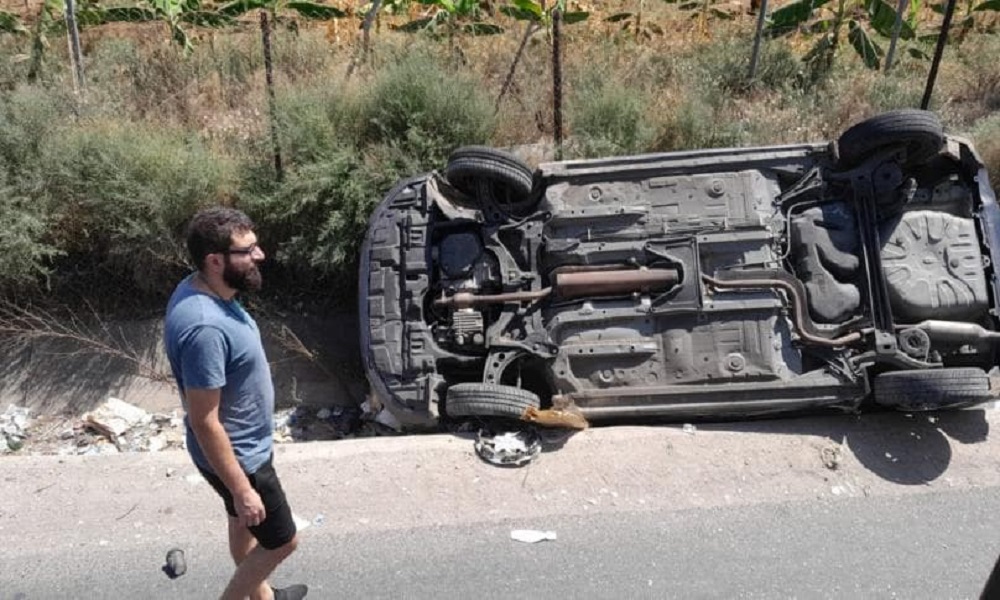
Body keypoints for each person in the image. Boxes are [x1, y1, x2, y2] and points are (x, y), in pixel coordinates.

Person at [164, 207, 307, 600]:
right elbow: (204, 420)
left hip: (239, 449)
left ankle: (264, 598)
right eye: (247, 250)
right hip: (241, 457)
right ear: (215, 261)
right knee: (282, 540)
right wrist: (242, 488)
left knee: (243, 523)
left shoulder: (201, 288)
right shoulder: (205, 328)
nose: (260, 255)